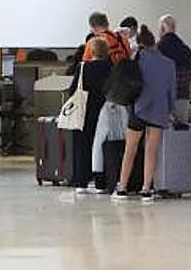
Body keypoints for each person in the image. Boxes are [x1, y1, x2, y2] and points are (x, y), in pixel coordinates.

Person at [112, 26, 176, 201]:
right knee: (151, 150)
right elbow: (172, 91)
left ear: (140, 44)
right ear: (154, 43)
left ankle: (122, 186)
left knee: (130, 149)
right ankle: (147, 188)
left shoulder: (137, 57)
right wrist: (170, 110)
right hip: (159, 109)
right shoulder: (169, 64)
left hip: (139, 108)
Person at [71, 36, 113, 193]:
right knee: (103, 146)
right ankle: (101, 182)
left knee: (82, 145)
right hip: (105, 111)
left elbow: (73, 90)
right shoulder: (111, 68)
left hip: (85, 111)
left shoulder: (83, 68)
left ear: (92, 51)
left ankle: (81, 181)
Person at [157, 14, 191, 123]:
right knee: (180, 135)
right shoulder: (187, 51)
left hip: (162, 99)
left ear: (163, 28)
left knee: (161, 136)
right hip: (183, 97)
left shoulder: (158, 49)